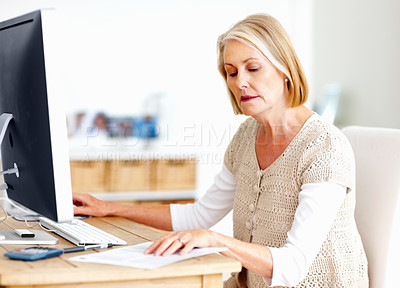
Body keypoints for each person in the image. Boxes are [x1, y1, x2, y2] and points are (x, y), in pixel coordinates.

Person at [73, 13, 368, 287]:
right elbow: (199, 216)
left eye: (253, 68)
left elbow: (292, 267)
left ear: (285, 70)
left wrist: (216, 240)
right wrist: (111, 208)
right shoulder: (245, 137)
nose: (240, 82)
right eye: (231, 72)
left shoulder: (324, 147)